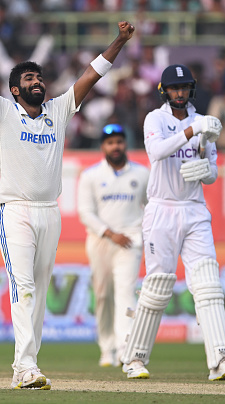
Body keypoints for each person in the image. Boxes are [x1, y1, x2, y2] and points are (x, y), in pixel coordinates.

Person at [0, 19, 135, 390]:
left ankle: (25, 366)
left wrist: (119, 41)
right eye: (28, 79)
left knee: (39, 291)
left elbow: (92, 75)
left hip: (49, 211)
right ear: (14, 89)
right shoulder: (2, 112)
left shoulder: (58, 111)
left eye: (39, 78)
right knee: (23, 286)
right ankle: (25, 367)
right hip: (15, 209)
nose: (37, 82)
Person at [120, 64, 225, 381]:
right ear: (164, 91)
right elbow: (156, 150)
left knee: (208, 284)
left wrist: (205, 170)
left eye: (185, 88)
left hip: (195, 209)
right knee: (159, 285)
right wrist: (191, 131)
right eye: (174, 88)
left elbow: (213, 169)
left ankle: (220, 360)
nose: (180, 93)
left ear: (191, 90)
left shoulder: (203, 122)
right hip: (161, 209)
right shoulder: (156, 119)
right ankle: (133, 359)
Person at [77, 123, 149, 368]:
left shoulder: (141, 174)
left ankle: (124, 349)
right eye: (110, 142)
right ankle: (106, 348)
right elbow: (86, 213)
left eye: (119, 141)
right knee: (103, 295)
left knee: (126, 294)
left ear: (125, 144)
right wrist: (109, 233)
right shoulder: (91, 176)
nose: (115, 146)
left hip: (130, 241)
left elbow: (152, 207)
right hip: (100, 242)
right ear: (103, 147)